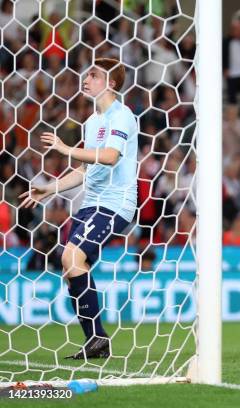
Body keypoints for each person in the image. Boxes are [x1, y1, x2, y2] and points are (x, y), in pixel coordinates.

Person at [20, 58, 137, 360]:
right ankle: (95, 340)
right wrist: (49, 189)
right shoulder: (91, 122)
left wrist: (65, 148)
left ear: (111, 83)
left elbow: (110, 156)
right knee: (71, 267)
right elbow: (85, 172)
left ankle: (98, 339)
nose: (87, 79)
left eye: (94, 75)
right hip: (90, 205)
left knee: (71, 255)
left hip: (116, 203)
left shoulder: (121, 116)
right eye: (87, 74)